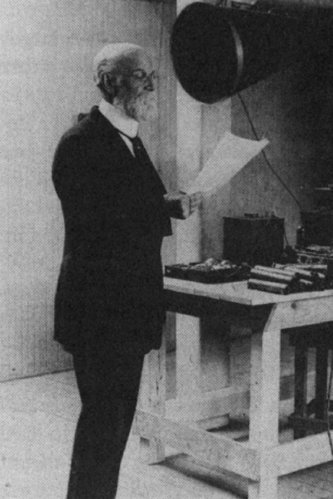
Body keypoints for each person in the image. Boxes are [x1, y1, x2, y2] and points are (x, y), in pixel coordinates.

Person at [52, 43, 202, 499]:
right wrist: (161, 207)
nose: (152, 84)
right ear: (109, 80)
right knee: (103, 425)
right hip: (99, 312)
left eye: (152, 75)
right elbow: (96, 224)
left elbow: (133, 204)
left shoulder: (129, 139)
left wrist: (168, 205)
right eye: (140, 75)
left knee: (113, 427)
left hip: (126, 311)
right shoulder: (80, 143)